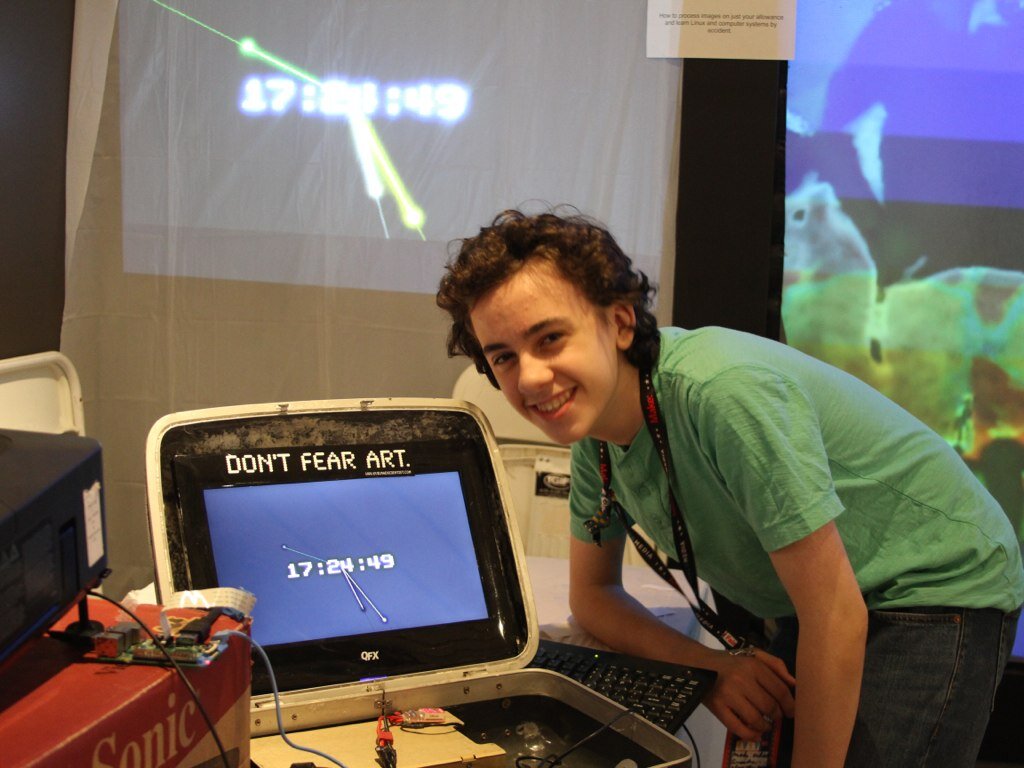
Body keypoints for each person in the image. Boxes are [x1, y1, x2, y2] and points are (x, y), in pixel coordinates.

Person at [436, 208, 1024, 768]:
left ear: (618, 322)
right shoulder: (595, 436)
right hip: (823, 601)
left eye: (550, 339)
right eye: (504, 358)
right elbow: (593, 597)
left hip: (930, 583)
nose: (532, 376)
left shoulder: (722, 392)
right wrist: (708, 667)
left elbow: (835, 615)